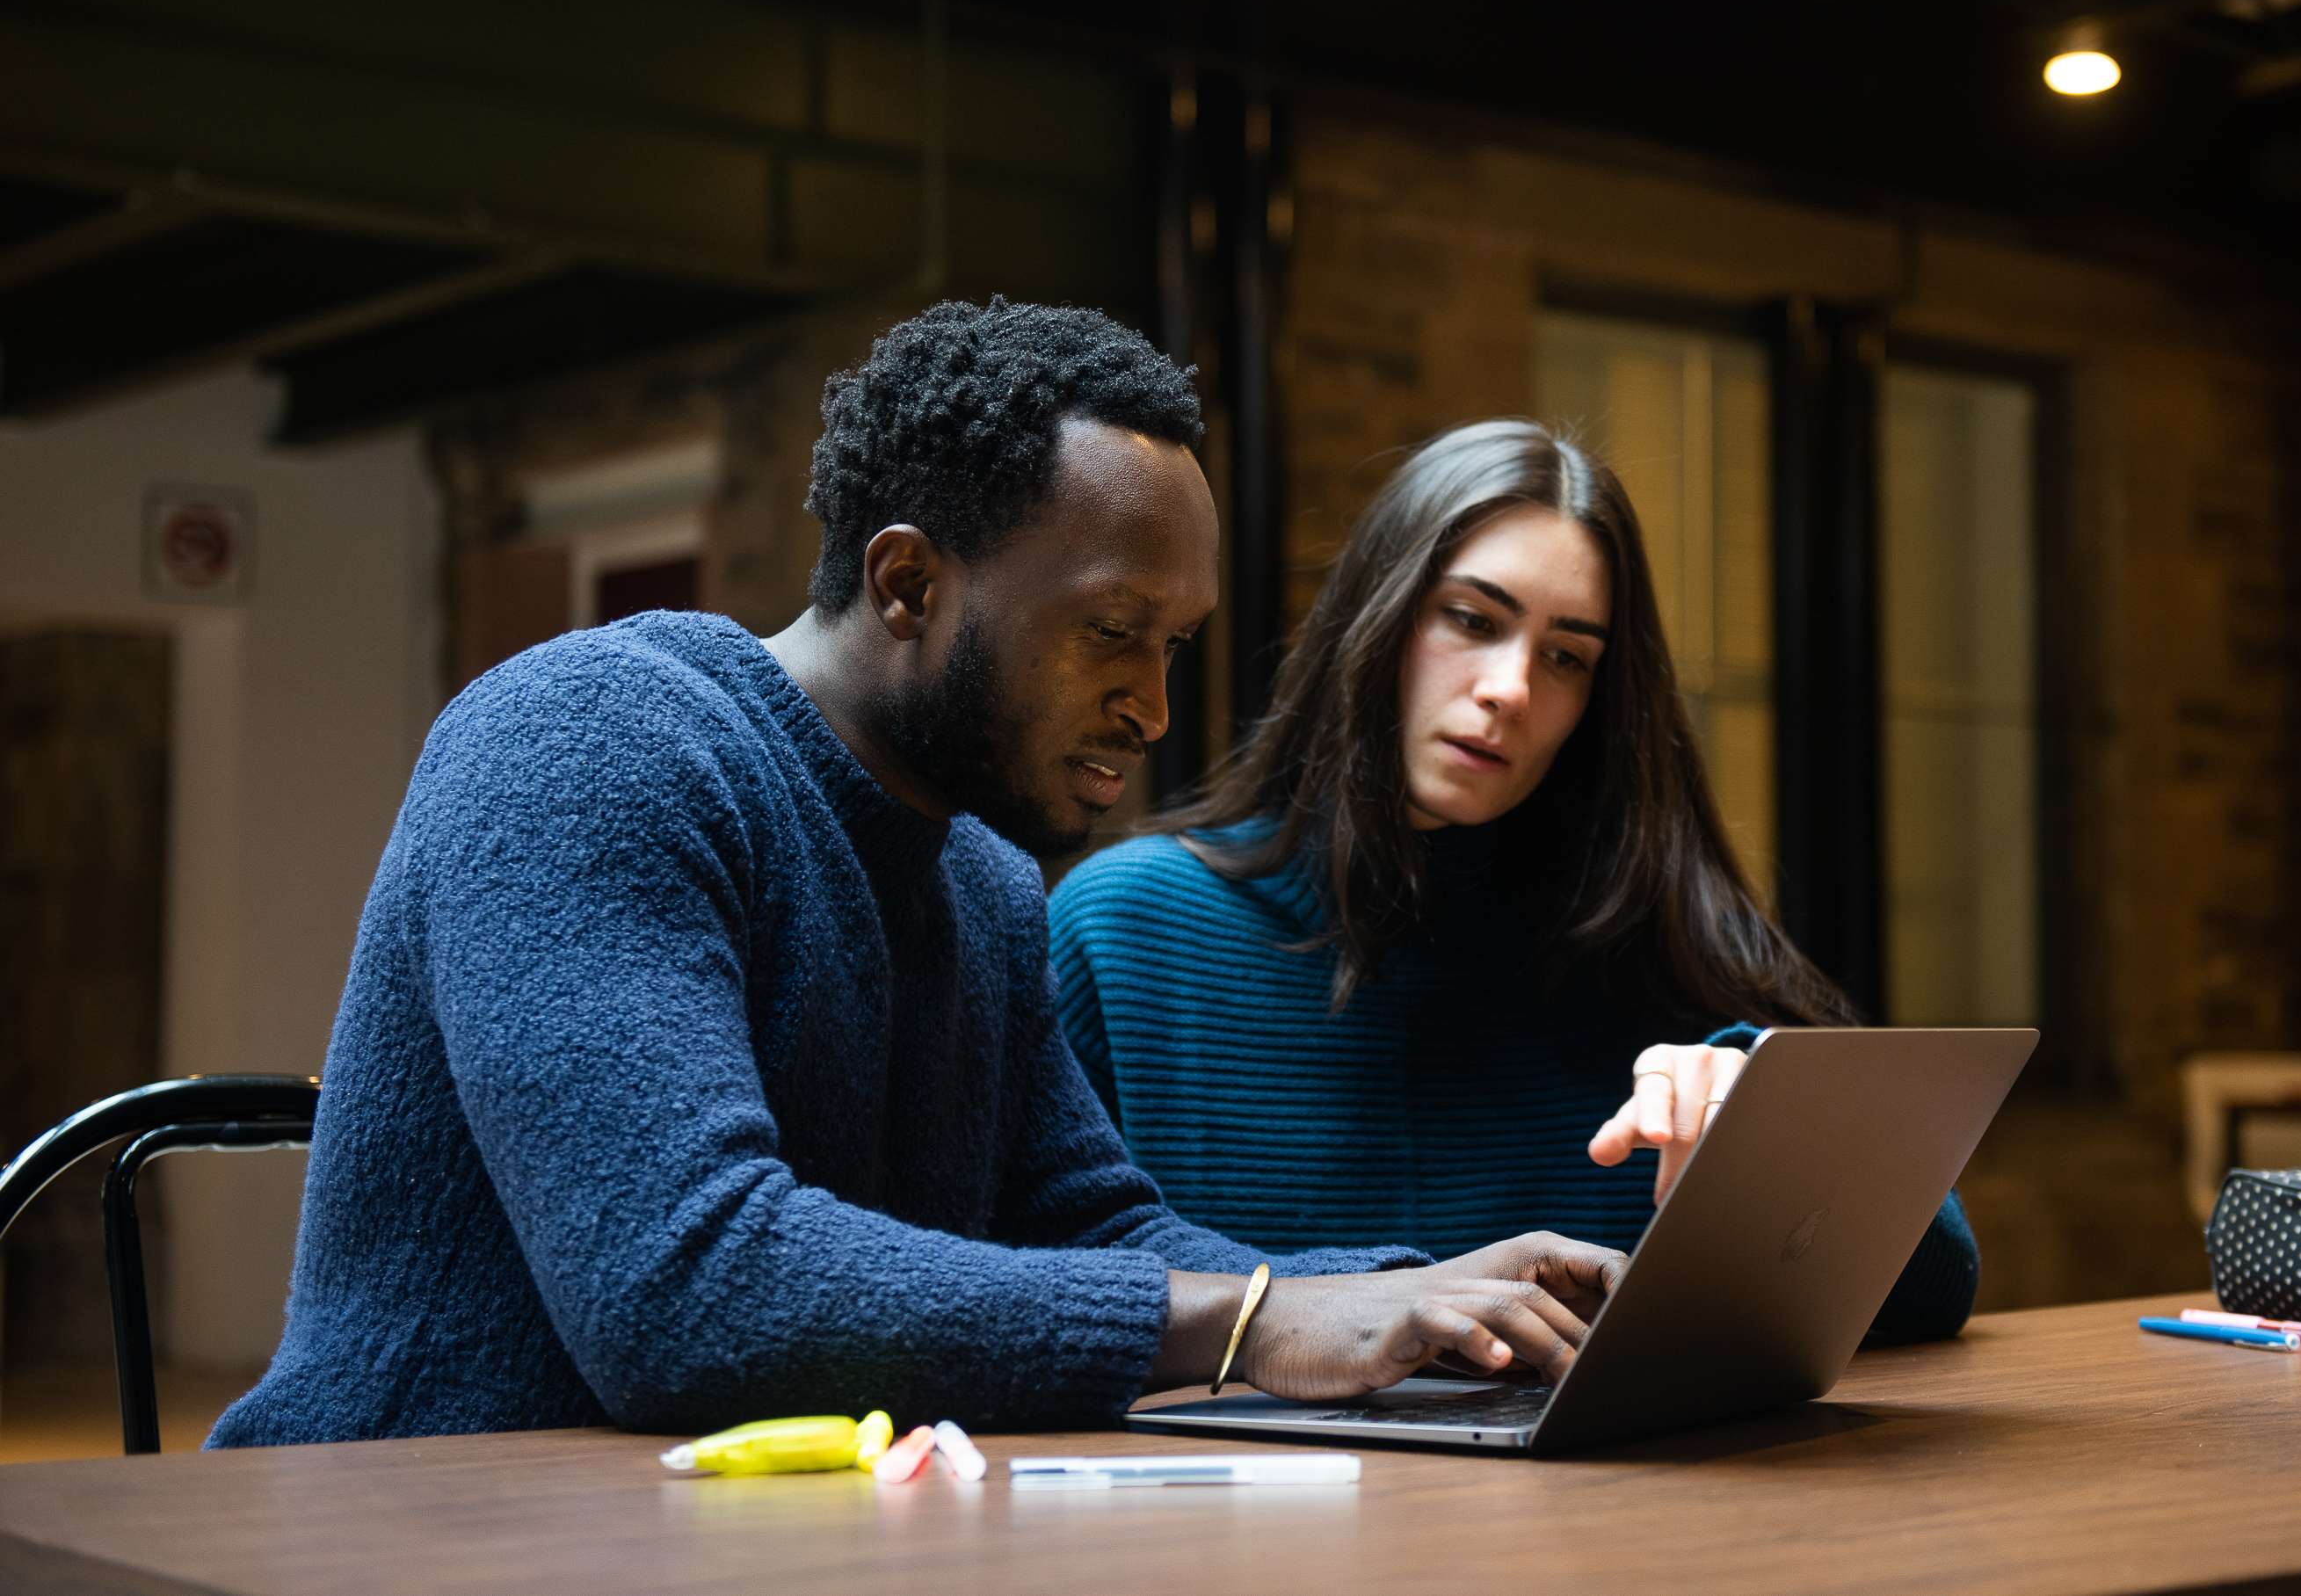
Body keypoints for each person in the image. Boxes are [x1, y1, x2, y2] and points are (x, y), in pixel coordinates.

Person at [211, 305, 1624, 1448]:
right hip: (408, 1528)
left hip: (743, 1542)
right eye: (1110, 632)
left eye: (1175, 646)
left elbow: (1098, 1228)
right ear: (906, 584)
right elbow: (687, 1288)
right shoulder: (590, 742)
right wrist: (1251, 1321)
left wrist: (1425, 1293)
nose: (1152, 704)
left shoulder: (985, 883)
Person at [1050, 419, 1981, 1340]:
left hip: (1611, 1491)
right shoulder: (1123, 931)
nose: (1511, 687)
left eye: (1567, 656)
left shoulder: (1641, 939)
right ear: (1377, 615)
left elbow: (1937, 1287)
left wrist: (1773, 1107)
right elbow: (1033, 1294)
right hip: (1236, 1491)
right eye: (1472, 619)